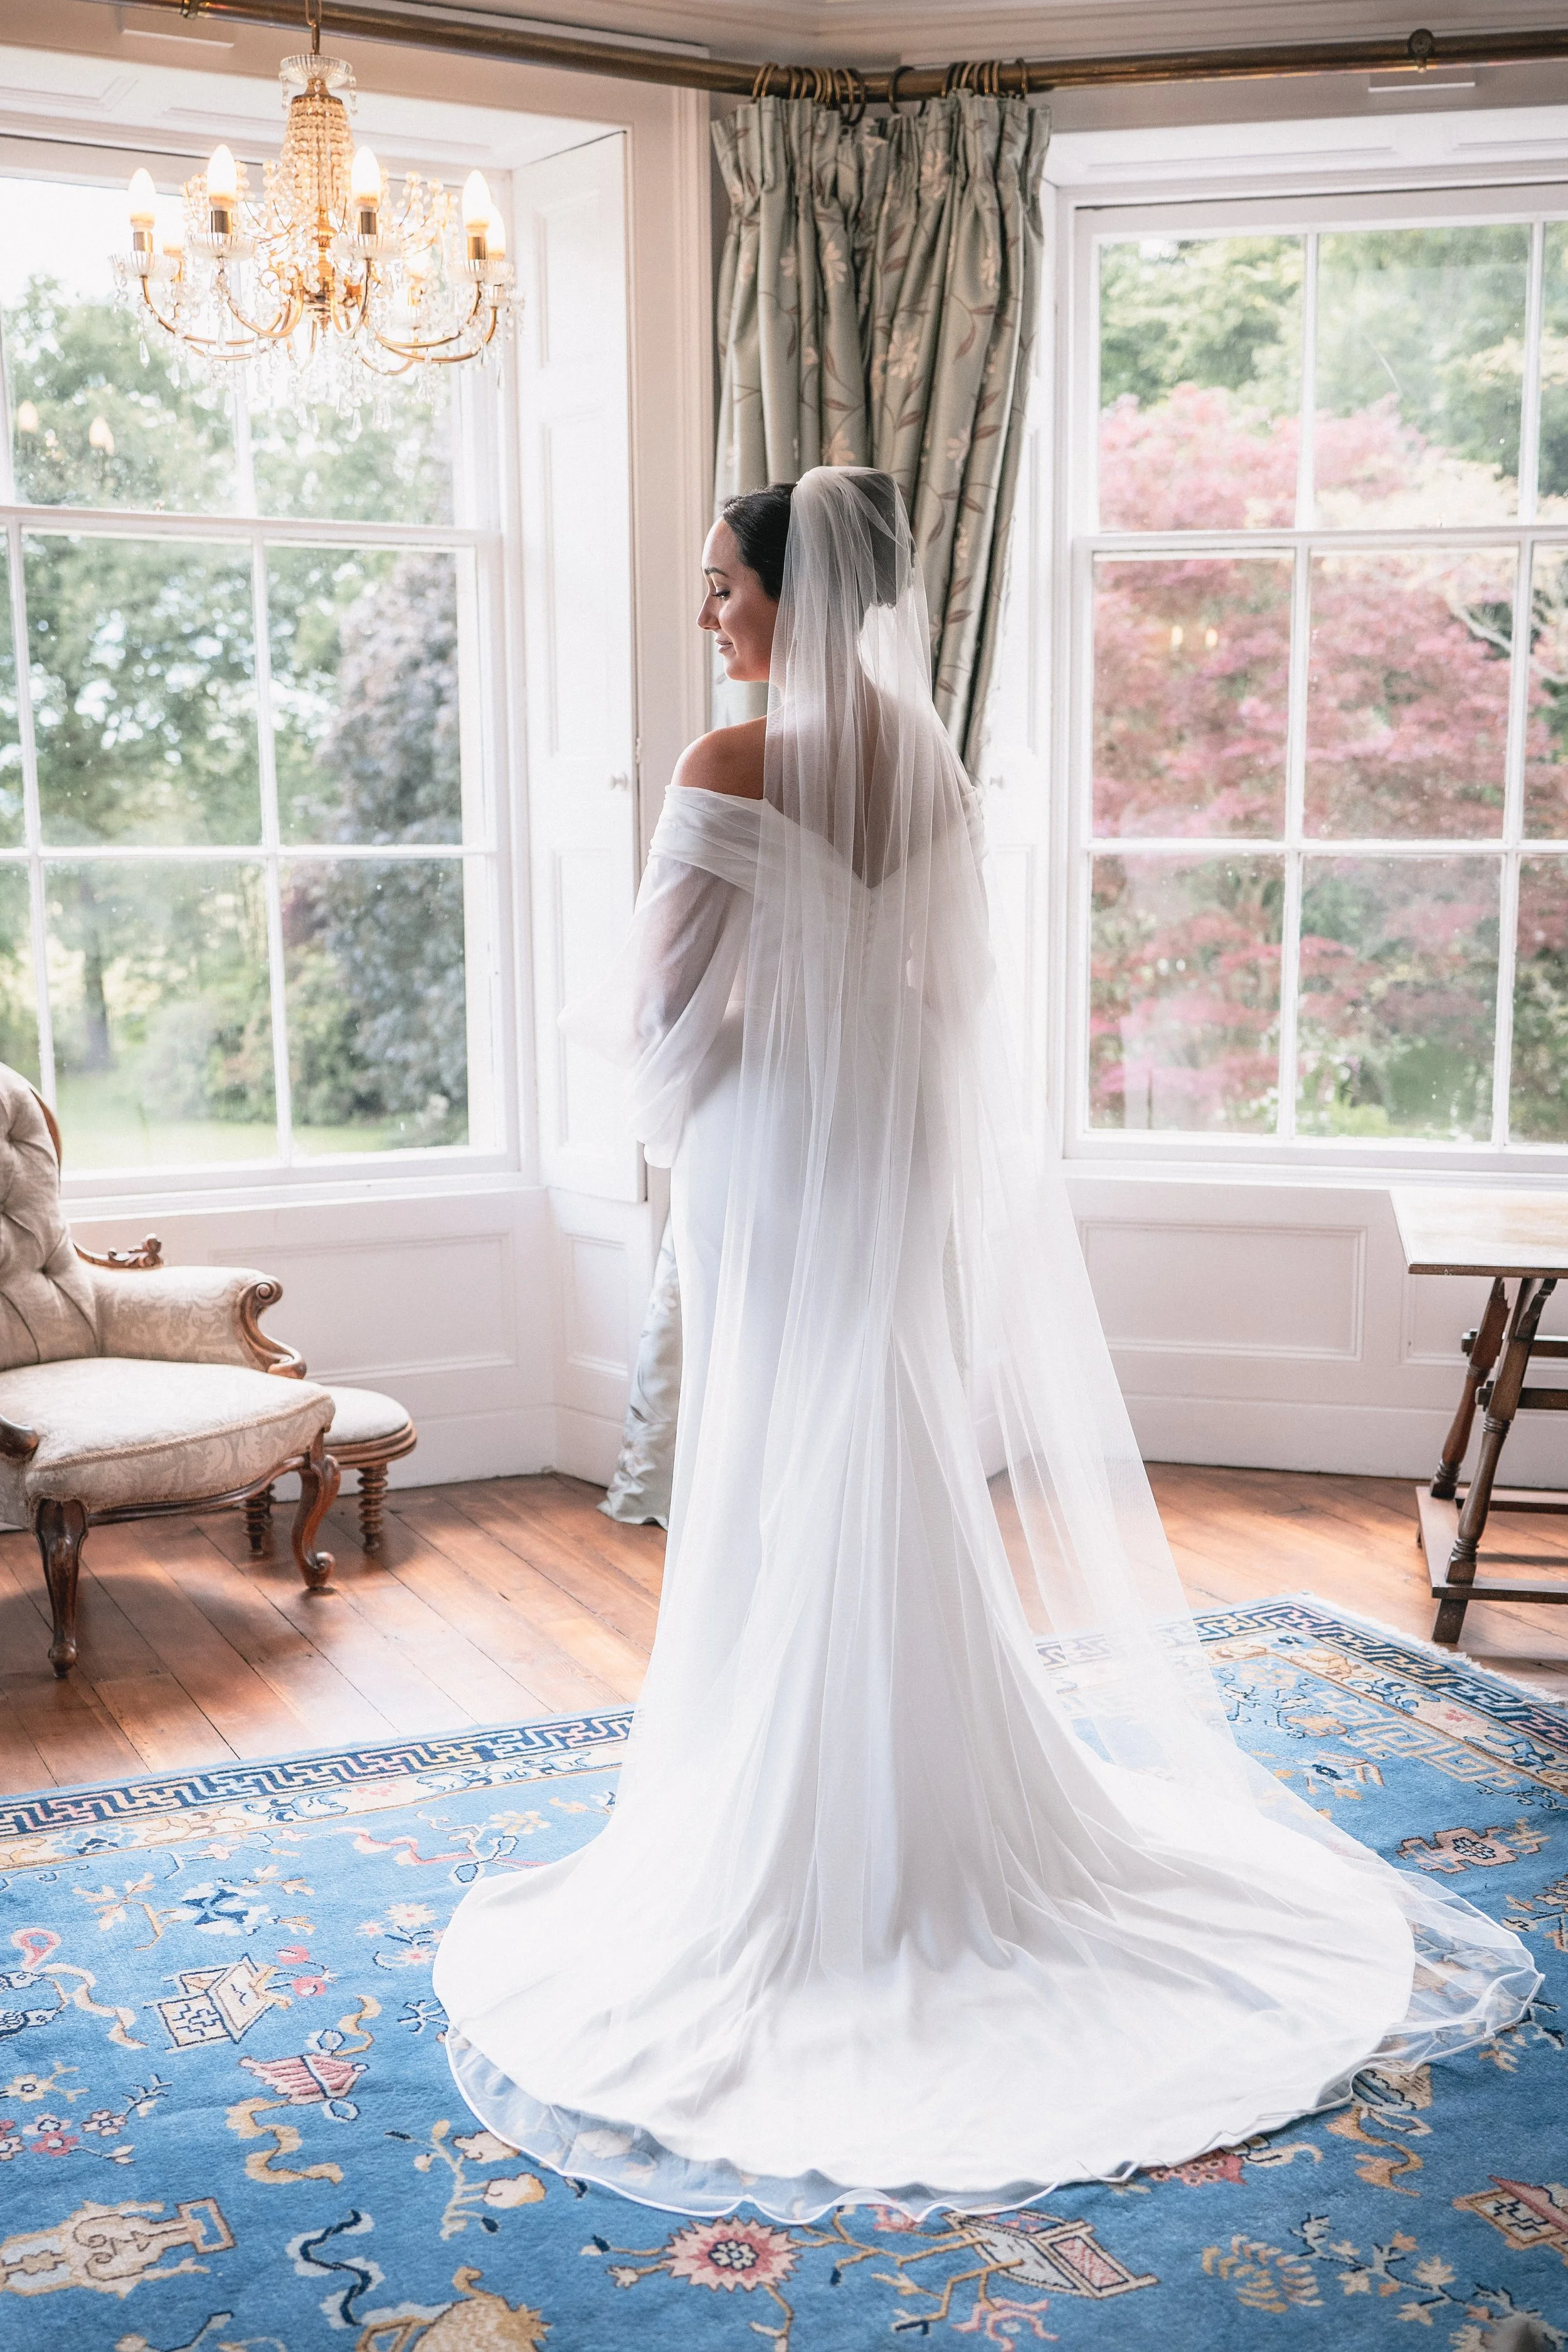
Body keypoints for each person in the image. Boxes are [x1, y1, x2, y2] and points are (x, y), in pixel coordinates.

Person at [433, 467, 1537, 2223]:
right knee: (874, 1433)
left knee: (786, 1446)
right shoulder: (927, 762)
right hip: (888, 1157)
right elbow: (946, 1001)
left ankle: (800, 1832)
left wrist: (622, 1049)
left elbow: (657, 1017)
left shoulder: (728, 766)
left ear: (793, 596)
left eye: (720, 583)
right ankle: (932, 1789)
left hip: (775, 1158)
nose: (705, 611)